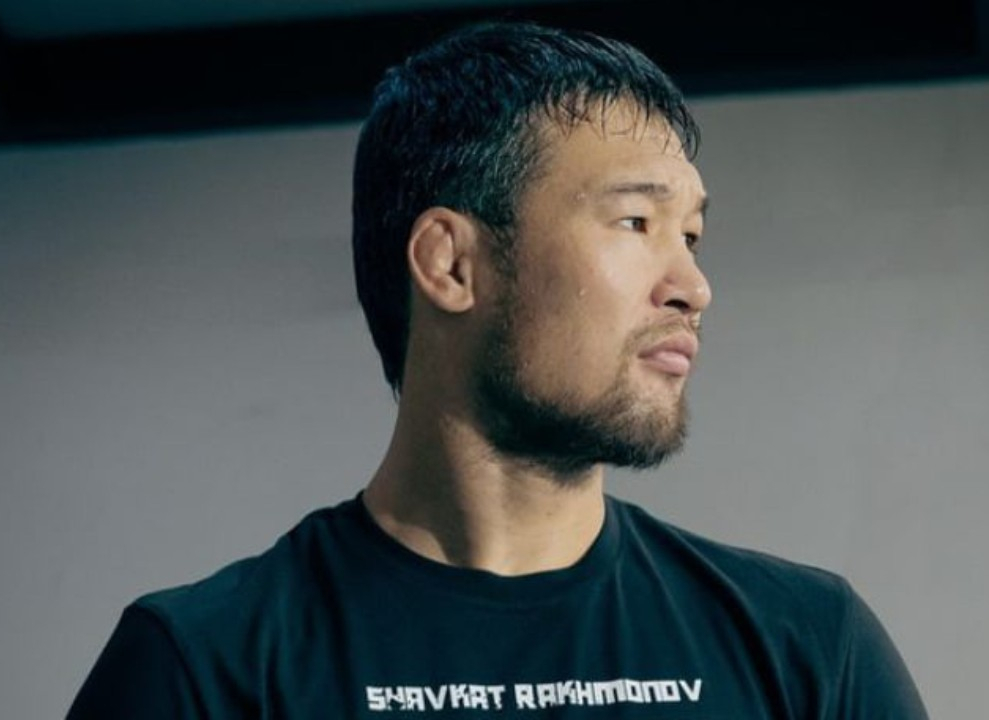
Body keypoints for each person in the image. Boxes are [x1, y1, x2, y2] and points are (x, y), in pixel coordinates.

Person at [68, 21, 928, 719]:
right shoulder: (201, 669)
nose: (693, 288)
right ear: (451, 264)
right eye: (636, 223)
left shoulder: (810, 652)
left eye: (692, 237)